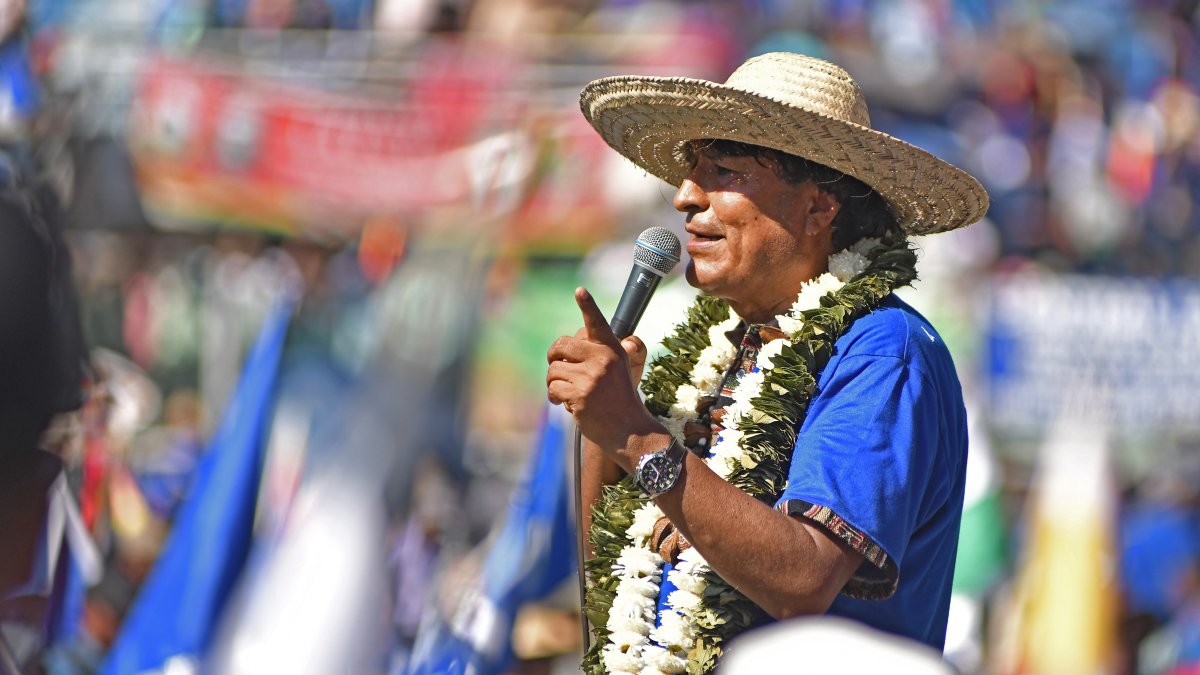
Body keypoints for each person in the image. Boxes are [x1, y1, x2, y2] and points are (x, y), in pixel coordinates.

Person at [545, 52, 988, 673]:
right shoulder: (730, 345)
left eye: (723, 171)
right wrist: (606, 430)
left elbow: (804, 577)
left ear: (817, 208)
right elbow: (607, 576)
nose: (684, 197)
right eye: (690, 170)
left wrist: (634, 431)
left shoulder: (884, 350)